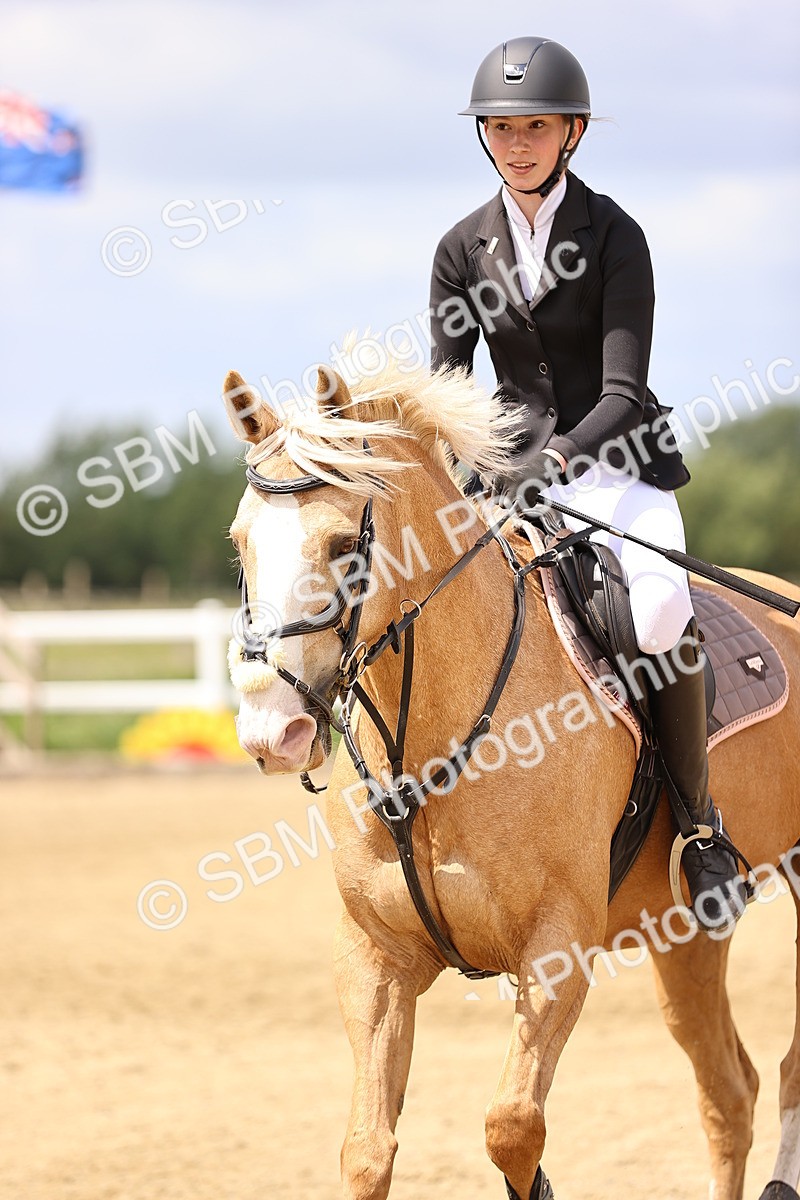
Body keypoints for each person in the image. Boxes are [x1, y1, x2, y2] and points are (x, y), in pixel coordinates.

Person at [429, 35, 747, 931]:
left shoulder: (614, 237)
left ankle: (698, 827)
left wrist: (554, 462)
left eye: (535, 127)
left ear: (571, 132)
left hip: (616, 467)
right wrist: (470, 475)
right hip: (511, 479)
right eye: (500, 128)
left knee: (653, 614)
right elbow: (452, 394)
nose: (516, 143)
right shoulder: (461, 249)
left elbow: (621, 390)